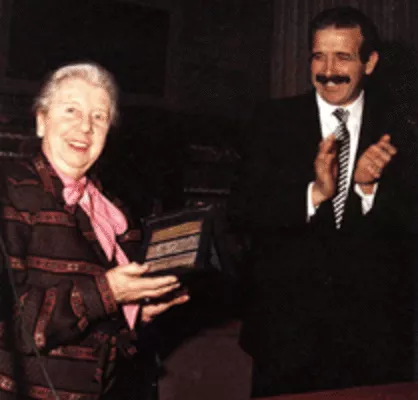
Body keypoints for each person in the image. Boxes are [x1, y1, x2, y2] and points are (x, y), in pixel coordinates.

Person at [228, 6, 418, 397]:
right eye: (319, 56)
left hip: (373, 340)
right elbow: (242, 213)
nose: (328, 71)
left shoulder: (402, 127)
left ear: (370, 62)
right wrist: (315, 194)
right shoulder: (271, 120)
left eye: (343, 57)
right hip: (286, 337)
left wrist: (367, 189)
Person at [0, 62, 190, 399]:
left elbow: (95, 317)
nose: (85, 126)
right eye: (71, 110)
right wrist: (109, 293)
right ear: (42, 121)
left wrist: (134, 312)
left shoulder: (111, 210)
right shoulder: (9, 191)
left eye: (99, 116)